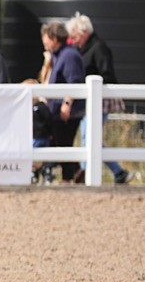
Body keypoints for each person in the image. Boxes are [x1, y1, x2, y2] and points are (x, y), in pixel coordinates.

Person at [66, 13, 129, 184]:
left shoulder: (99, 48)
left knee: (89, 136)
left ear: (84, 32)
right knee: (90, 137)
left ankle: (85, 171)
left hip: (100, 100)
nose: (72, 40)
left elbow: (107, 74)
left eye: (75, 36)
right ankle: (117, 172)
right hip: (89, 101)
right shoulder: (83, 49)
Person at [41, 21, 85, 182]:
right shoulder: (59, 55)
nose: (44, 42)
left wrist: (67, 105)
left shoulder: (69, 55)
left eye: (45, 38)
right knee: (59, 143)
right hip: (58, 109)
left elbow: (74, 81)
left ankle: (68, 179)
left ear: (54, 38)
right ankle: (76, 173)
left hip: (66, 111)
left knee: (63, 143)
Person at [24, 78, 54, 183]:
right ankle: (35, 175)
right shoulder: (25, 109)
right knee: (33, 157)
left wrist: (50, 133)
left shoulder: (41, 107)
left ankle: (44, 172)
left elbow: (49, 120)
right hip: (32, 137)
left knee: (36, 157)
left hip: (41, 137)